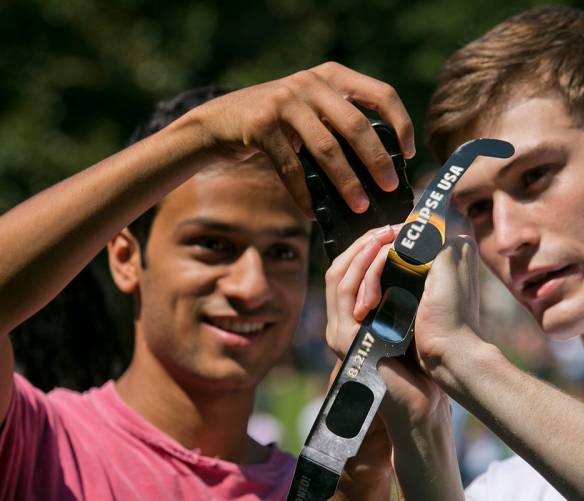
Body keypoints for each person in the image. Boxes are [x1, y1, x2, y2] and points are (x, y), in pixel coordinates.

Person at [325, 6, 584, 500]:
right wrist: (423, 425)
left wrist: (468, 363)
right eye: (478, 207)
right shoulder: (512, 488)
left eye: (535, 177)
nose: (506, 238)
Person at [0, 62, 415, 500]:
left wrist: (358, 483)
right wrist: (203, 134)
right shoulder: (37, 445)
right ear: (125, 257)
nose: (251, 286)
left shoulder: (325, 489)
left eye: (281, 253)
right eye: (213, 245)